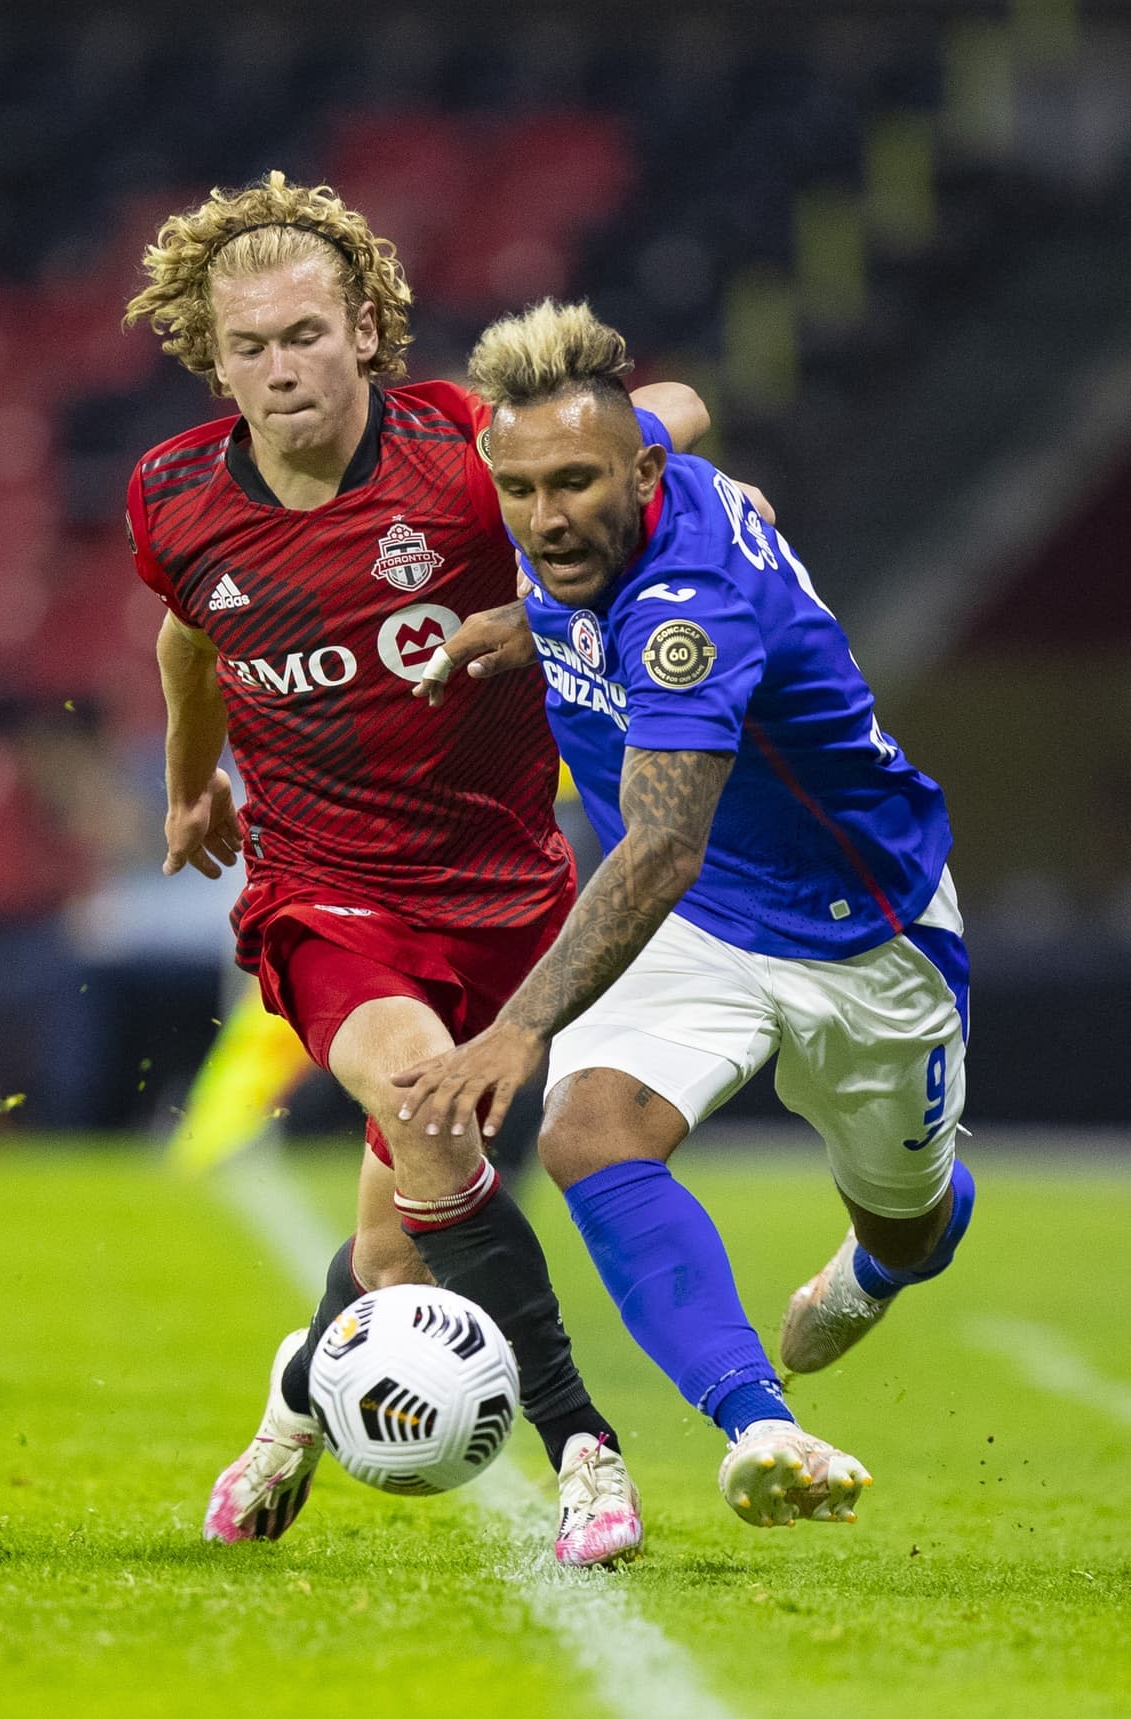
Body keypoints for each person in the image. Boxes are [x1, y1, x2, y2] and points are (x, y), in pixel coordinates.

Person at [122, 173, 714, 1565]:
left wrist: (531, 601)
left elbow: (671, 417)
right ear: (217, 360)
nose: (279, 369)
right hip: (327, 892)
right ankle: (587, 1450)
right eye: (249, 346)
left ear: (366, 327)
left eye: (304, 335)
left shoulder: (461, 445)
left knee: (396, 1253)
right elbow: (189, 639)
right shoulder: (172, 494)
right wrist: (188, 783)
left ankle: (291, 1406)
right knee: (419, 1096)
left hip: (510, 894)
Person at [396, 299, 976, 1531]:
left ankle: (882, 1262)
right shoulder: (618, 469)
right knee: (587, 1134)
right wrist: (530, 622)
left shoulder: (684, 616)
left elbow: (658, 842)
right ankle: (760, 1426)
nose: (545, 517)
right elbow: (675, 407)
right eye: (519, 488)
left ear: (642, 478)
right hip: (700, 921)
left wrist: (514, 1031)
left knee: (910, 1219)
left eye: (573, 486)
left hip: (857, 931)